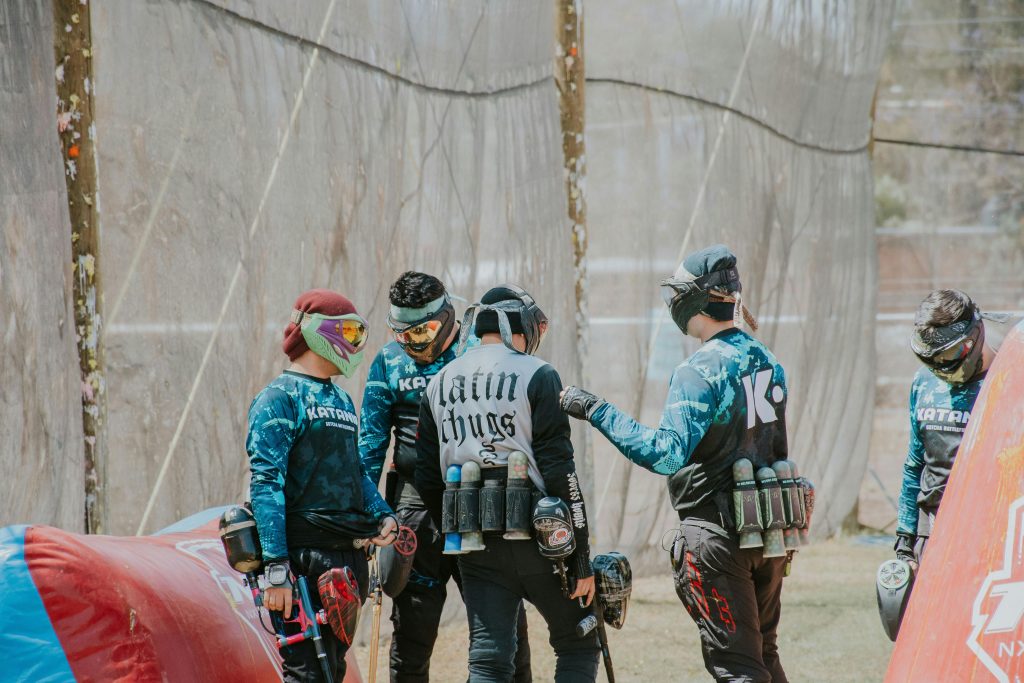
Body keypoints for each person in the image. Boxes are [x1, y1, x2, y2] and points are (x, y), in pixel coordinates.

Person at [561, 245, 790, 683]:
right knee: (763, 652)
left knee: (738, 666)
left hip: (717, 535)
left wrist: (595, 409)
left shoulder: (700, 369)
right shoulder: (767, 360)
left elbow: (665, 453)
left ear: (696, 298)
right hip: (768, 533)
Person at [414, 285, 600, 683]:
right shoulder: (538, 373)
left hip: (473, 535)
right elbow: (560, 471)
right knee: (578, 640)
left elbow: (426, 475)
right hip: (539, 532)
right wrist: (580, 554)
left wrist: (458, 522)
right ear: (524, 326)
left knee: (488, 659)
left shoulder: (436, 382)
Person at [359, 271, 532, 682]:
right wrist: (369, 515)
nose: (413, 345)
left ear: (449, 314)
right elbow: (369, 446)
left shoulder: (481, 351)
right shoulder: (388, 360)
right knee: (413, 634)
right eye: (403, 334)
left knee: (503, 629)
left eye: (424, 332)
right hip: (415, 510)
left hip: (479, 500)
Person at [247, 289, 398, 682]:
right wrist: (276, 566)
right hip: (302, 563)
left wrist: (381, 514)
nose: (354, 344)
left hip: (346, 559)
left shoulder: (343, 402)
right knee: (306, 672)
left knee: (330, 669)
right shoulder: (279, 399)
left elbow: (355, 472)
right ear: (317, 333)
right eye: (348, 332)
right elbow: (266, 484)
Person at [894, 289, 997, 568]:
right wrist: (905, 539)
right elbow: (915, 464)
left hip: (992, 532)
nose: (940, 366)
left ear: (976, 335)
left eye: (949, 353)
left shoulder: (1008, 384)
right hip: (933, 533)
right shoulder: (924, 383)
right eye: (934, 357)